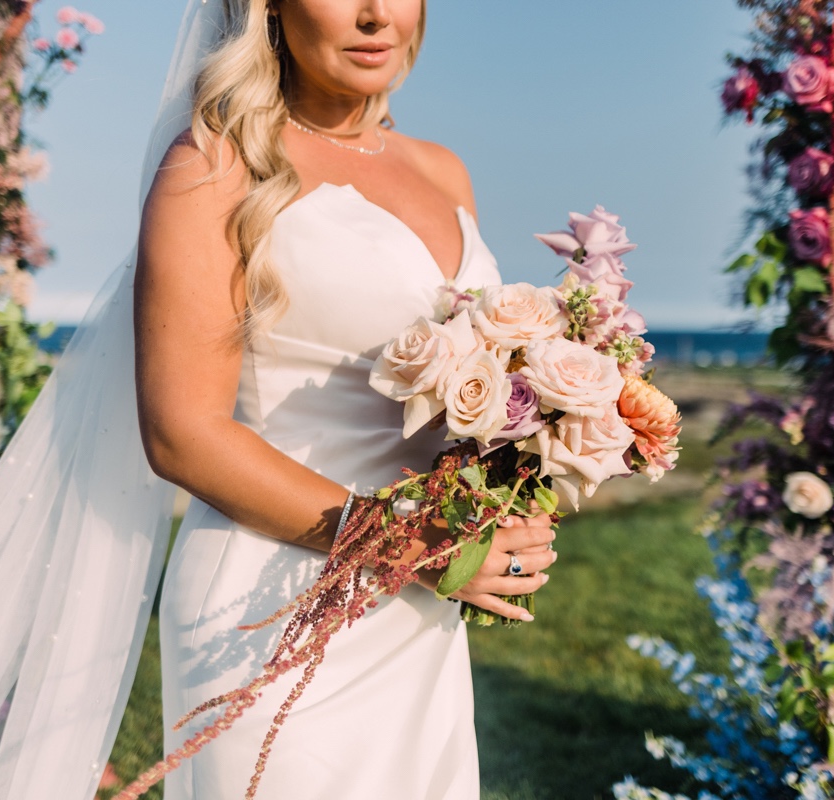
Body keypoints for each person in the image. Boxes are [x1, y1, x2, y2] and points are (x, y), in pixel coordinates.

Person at [137, 0, 556, 797]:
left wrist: (509, 501)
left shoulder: (443, 170)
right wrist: (411, 545)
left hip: (418, 607)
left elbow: (469, 398)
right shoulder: (216, 166)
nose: (374, 15)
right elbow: (181, 432)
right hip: (271, 594)